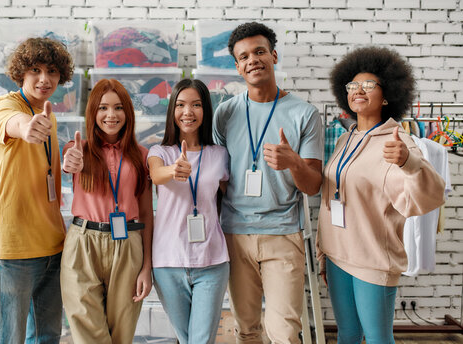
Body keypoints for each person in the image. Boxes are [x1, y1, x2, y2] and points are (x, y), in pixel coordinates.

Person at [316, 46, 446, 344]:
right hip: (337, 257)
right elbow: (329, 198)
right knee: (347, 335)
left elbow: (432, 195)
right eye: (352, 85)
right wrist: (324, 251)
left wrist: (407, 162)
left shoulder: (399, 141)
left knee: (377, 338)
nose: (358, 90)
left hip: (373, 259)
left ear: (386, 96)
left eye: (368, 85)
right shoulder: (344, 140)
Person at [213, 22, 323, 343]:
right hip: (235, 234)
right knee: (246, 328)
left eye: (260, 51)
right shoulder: (225, 113)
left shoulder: (304, 113)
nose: (253, 60)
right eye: (244, 56)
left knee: (285, 333)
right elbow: (218, 178)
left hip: (283, 234)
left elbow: (313, 184)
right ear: (237, 67)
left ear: (273, 56)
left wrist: (293, 162)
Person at [0, 37, 73, 343]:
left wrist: (69, 165)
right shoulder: (4, 106)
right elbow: (14, 123)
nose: (44, 79)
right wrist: (27, 126)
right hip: (13, 249)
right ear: (21, 72)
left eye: (52, 71)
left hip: (52, 245)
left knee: (47, 336)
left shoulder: (51, 116)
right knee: (8, 338)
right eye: (35, 70)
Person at [60, 78, 153, 343]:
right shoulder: (79, 149)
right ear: (93, 112)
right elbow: (69, 162)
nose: (111, 115)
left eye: (118, 107)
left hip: (128, 245)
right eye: (103, 108)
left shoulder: (142, 156)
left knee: (121, 333)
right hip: (82, 244)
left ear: (128, 113)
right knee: (87, 331)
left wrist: (147, 266)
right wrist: (71, 160)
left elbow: (147, 213)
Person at [147, 79, 230, 344]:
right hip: (168, 262)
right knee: (186, 339)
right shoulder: (159, 152)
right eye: (181, 105)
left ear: (206, 110)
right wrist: (173, 170)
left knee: (200, 340)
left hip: (212, 261)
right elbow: (156, 175)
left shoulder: (220, 154)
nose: (188, 112)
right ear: (172, 110)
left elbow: (231, 196)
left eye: (196, 105)